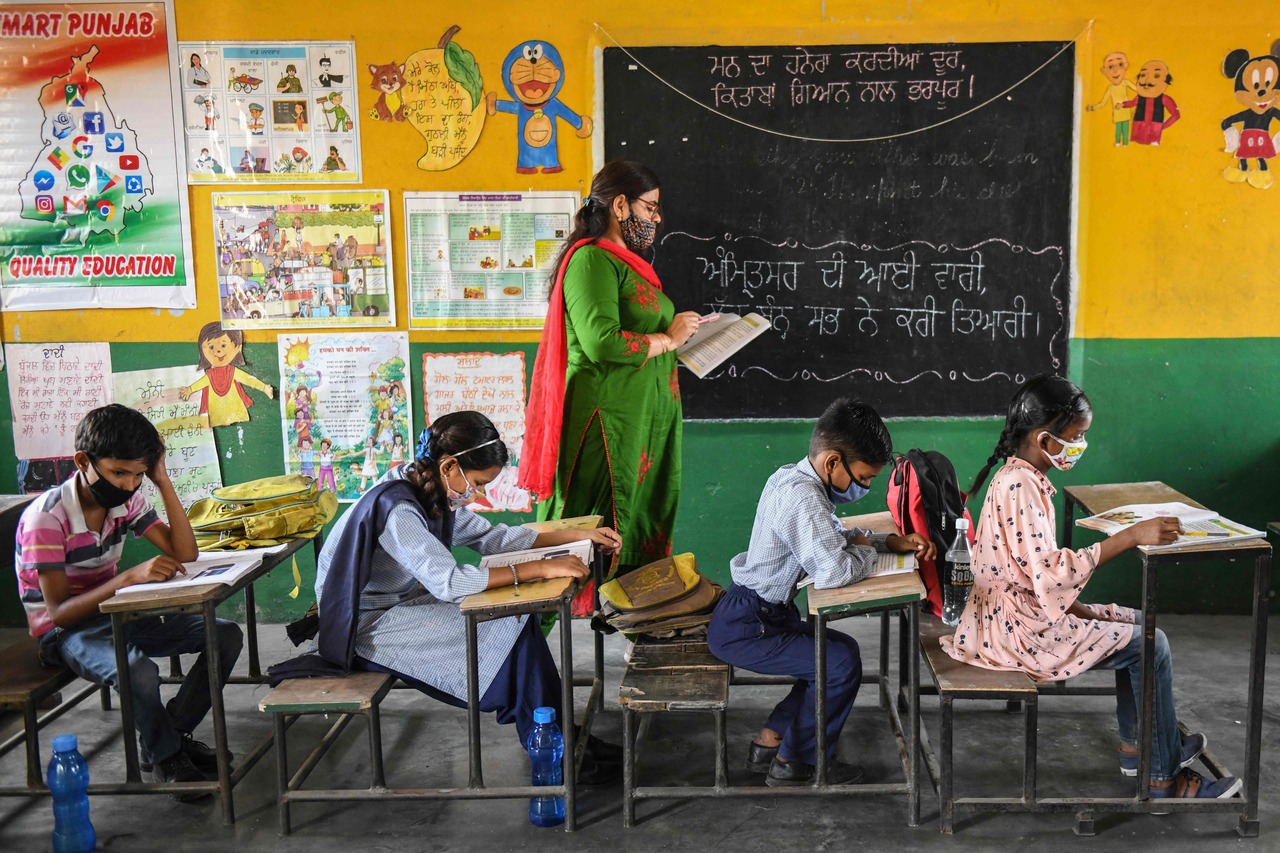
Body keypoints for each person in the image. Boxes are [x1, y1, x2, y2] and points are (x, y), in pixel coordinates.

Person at [942, 374, 1240, 800]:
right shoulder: (1021, 487)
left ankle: (1139, 746)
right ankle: (1163, 777)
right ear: (1045, 440)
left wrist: (1082, 609)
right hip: (1017, 631)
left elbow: (1030, 575)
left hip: (1012, 614)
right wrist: (1131, 536)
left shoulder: (1017, 476)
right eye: (1076, 437)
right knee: (1151, 645)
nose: (1081, 445)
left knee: (1134, 623)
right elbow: (1050, 574)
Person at [311, 411, 624, 780]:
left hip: (399, 603)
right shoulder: (399, 508)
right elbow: (449, 582)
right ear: (449, 466)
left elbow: (492, 538)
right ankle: (557, 748)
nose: (480, 493)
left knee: (517, 619)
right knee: (506, 628)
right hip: (363, 624)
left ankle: (560, 738)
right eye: (478, 483)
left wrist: (578, 537)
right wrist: (539, 569)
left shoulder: (428, 486)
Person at [13, 405, 243, 797]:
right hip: (65, 633)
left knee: (224, 636)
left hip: (117, 611)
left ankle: (168, 740)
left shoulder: (126, 502)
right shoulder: (46, 519)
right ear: (83, 461)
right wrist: (127, 578)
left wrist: (162, 480)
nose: (129, 485)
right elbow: (60, 614)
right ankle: (168, 755)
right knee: (137, 671)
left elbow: (185, 552)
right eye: (119, 473)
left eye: (138, 475)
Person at [707, 398, 932, 786]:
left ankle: (770, 743)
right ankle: (796, 762)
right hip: (748, 625)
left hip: (763, 615)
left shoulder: (795, 480)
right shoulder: (803, 498)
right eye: (863, 478)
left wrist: (886, 543)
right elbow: (834, 571)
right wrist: (866, 549)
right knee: (837, 664)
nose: (865, 487)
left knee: (837, 653)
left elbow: (833, 538)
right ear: (833, 463)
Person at [521, 160, 701, 614]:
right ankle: (526, 637)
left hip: (645, 421)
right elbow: (601, 341)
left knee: (640, 521)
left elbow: (639, 339)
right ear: (620, 205)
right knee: (585, 530)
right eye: (650, 207)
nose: (657, 219)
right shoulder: (591, 260)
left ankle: (635, 623)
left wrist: (679, 342)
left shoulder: (629, 266)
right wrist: (668, 339)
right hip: (608, 423)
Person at [178, 321, 274, 427]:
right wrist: (190, 390)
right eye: (211, 347)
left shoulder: (232, 371)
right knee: (216, 418)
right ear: (202, 350)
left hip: (234, 409)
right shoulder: (210, 374)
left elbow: (247, 379)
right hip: (216, 411)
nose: (218, 351)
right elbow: (201, 383)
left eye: (223, 345)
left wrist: (264, 387)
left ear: (237, 347)